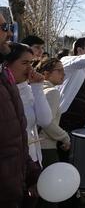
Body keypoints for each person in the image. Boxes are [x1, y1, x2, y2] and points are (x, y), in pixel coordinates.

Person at [0, 16, 41, 207]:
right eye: (3, 27)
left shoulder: (5, 80)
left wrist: (32, 175)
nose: (9, 33)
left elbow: (14, 140)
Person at [7, 43, 52, 166]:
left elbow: (45, 120)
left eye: (31, 64)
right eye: (24, 63)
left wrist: (37, 87)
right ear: (7, 64)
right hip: (10, 165)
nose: (30, 69)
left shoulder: (27, 88)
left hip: (32, 160)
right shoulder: (4, 92)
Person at [35, 57, 71, 208]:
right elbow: (47, 123)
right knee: (50, 193)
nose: (63, 74)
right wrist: (65, 137)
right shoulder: (51, 92)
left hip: (36, 148)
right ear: (46, 73)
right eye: (59, 71)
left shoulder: (36, 89)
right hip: (46, 147)